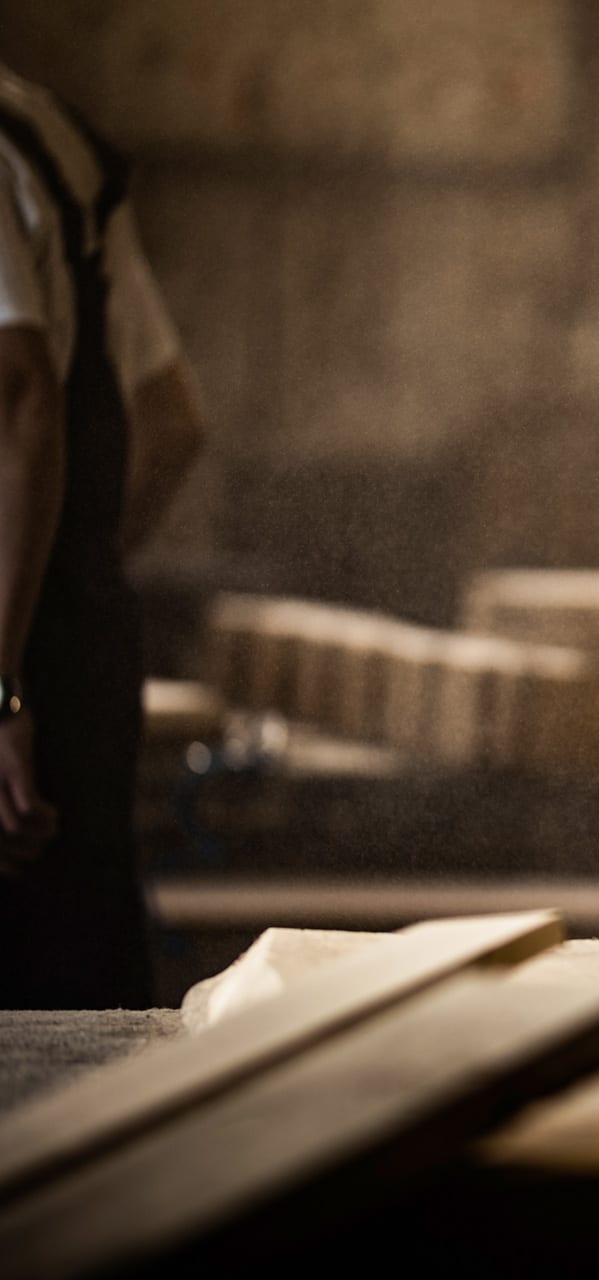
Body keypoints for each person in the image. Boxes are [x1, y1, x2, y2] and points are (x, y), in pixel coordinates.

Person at [0, 63, 204, 1008]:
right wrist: (70, 591)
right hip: (73, 664)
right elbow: (172, 423)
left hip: (18, 692)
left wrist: (5, 683)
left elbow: (20, 392)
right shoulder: (49, 135)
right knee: (85, 1029)